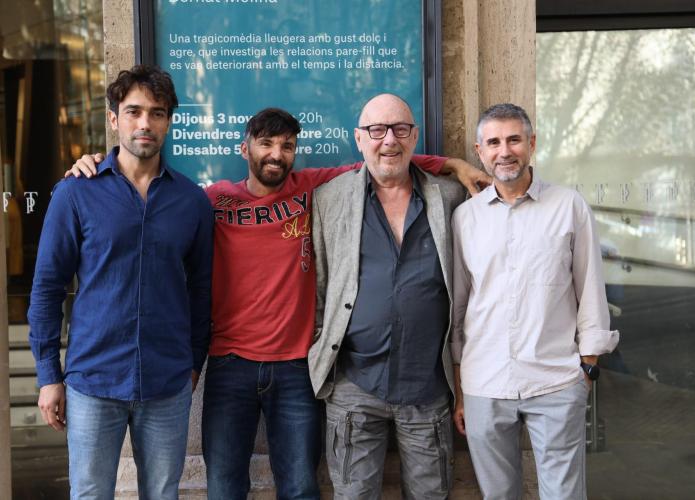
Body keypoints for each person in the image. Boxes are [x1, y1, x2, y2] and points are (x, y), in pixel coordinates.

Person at [69, 107, 489, 499]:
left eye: (287, 146)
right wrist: (97, 166)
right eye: (266, 144)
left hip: (295, 368)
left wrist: (453, 165)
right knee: (225, 486)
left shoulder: (312, 189)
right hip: (229, 364)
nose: (276, 154)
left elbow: (382, 162)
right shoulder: (212, 200)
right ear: (245, 148)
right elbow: (154, 196)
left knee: (300, 487)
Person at [28, 65, 214, 499]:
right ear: (114, 119)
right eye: (133, 111)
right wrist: (48, 375)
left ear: (169, 122)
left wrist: (193, 362)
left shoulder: (192, 202)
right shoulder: (76, 192)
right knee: (90, 494)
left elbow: (202, 289)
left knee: (162, 494)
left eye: (157, 113)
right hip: (92, 380)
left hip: (167, 382)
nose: (144, 123)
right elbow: (47, 288)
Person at [450, 103, 620, 499]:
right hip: (485, 383)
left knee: (563, 495)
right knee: (498, 495)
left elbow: (590, 290)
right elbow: (459, 307)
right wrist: (460, 388)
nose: (504, 151)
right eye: (494, 142)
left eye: (514, 140)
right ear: (479, 150)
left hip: (555, 380)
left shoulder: (569, 206)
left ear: (532, 143)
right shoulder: (465, 218)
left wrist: (587, 368)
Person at [308, 93, 465, 499]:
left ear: (414, 136)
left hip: (428, 384)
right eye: (377, 130)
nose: (389, 140)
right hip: (354, 384)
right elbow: (321, 286)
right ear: (359, 138)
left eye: (399, 129)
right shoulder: (329, 199)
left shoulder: (450, 198)